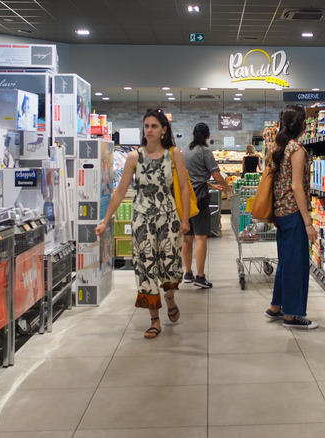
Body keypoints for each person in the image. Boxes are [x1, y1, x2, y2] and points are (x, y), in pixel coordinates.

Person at [95, 109, 191, 339]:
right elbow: (120, 191)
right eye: (146, 126)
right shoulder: (134, 157)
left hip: (168, 219)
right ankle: (154, 319)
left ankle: (169, 297)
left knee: (169, 266)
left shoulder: (174, 154)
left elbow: (185, 187)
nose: (149, 130)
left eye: (154, 126)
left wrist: (185, 219)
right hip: (142, 220)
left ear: (164, 130)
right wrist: (105, 220)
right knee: (146, 268)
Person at [264, 105, 318, 329]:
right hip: (294, 212)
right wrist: (308, 222)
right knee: (296, 263)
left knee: (286, 261)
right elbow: (297, 187)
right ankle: (292, 314)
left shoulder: (278, 146)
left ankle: (276, 306)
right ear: (302, 124)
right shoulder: (296, 149)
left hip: (280, 211)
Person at [181, 123, 234, 288]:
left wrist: (211, 186)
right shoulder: (205, 151)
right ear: (208, 135)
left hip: (184, 198)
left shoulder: (185, 151)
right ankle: (200, 276)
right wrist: (227, 187)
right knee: (201, 237)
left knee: (187, 238)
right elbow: (216, 174)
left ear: (193, 134)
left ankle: (188, 273)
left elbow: (191, 176)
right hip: (200, 199)